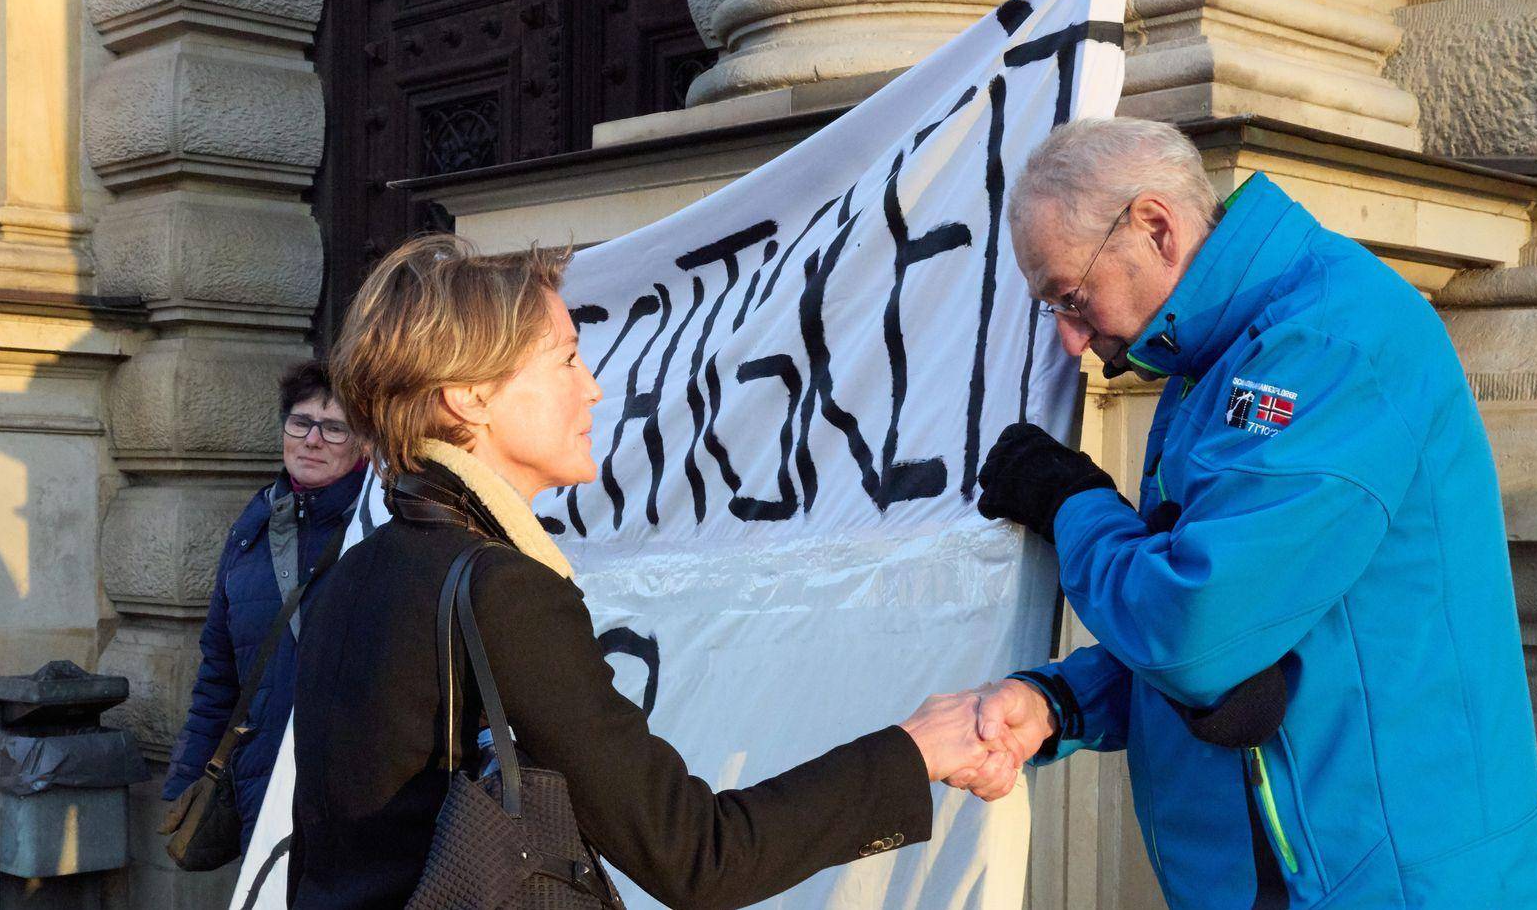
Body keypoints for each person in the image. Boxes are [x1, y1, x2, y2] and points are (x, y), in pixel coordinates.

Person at [948, 118, 1537, 908]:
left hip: (1382, 880)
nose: (1070, 340)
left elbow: (1198, 632)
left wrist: (1073, 503)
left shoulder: (1327, 342)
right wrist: (1057, 702)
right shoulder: (1221, 353)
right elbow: (1246, 637)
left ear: (1156, 227)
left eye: (1071, 298)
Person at [289, 235, 1008, 909]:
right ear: (467, 395)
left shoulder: (354, 572)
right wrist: (914, 751)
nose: (594, 388)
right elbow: (697, 854)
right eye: (566, 358)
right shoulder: (501, 589)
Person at [162, 360, 369, 850]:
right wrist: (187, 784)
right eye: (301, 423)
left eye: (335, 428)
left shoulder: (376, 530)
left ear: (365, 444)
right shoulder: (250, 533)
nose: (312, 440)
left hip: (350, 794)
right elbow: (219, 676)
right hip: (261, 785)